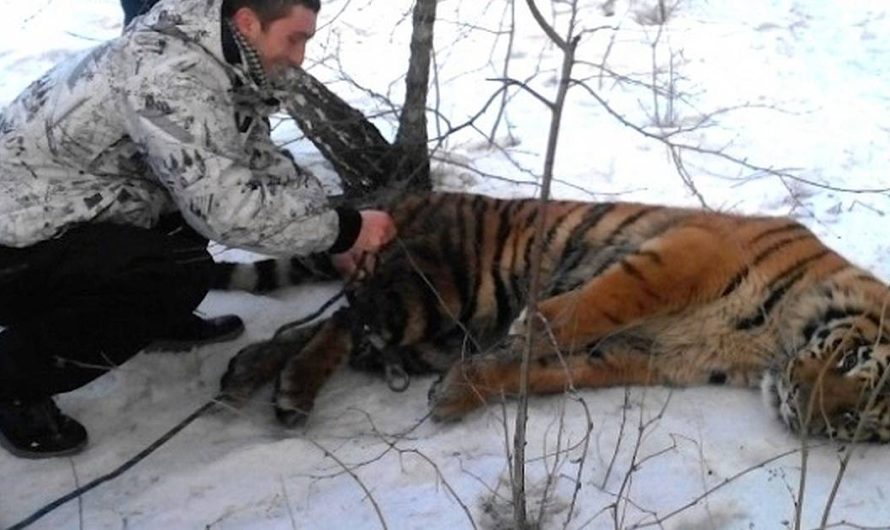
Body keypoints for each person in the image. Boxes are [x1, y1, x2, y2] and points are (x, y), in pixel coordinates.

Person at [0, 0, 396, 458]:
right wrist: (343, 231)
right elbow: (227, 209)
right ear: (248, 21)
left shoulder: (218, 53)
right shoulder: (173, 76)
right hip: (14, 244)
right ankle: (15, 381)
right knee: (176, 273)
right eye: (295, 38)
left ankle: (146, 320)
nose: (300, 56)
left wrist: (330, 228)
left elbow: (252, 162)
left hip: (61, 209)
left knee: (185, 213)